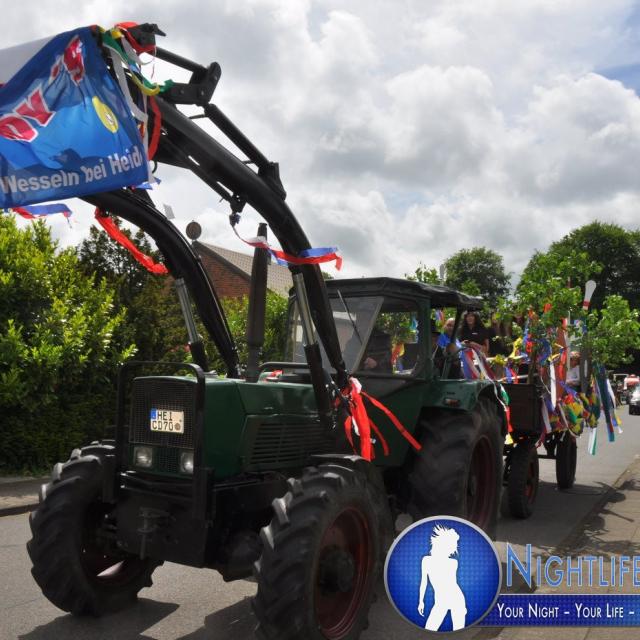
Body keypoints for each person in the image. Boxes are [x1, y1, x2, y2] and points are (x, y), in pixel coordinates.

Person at [418, 524, 467, 631]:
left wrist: (462, 607)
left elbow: (452, 584)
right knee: (429, 628)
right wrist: (421, 601)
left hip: (456, 599)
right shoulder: (426, 560)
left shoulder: (453, 563)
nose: (454, 549)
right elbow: (423, 582)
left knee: (458, 631)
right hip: (441, 601)